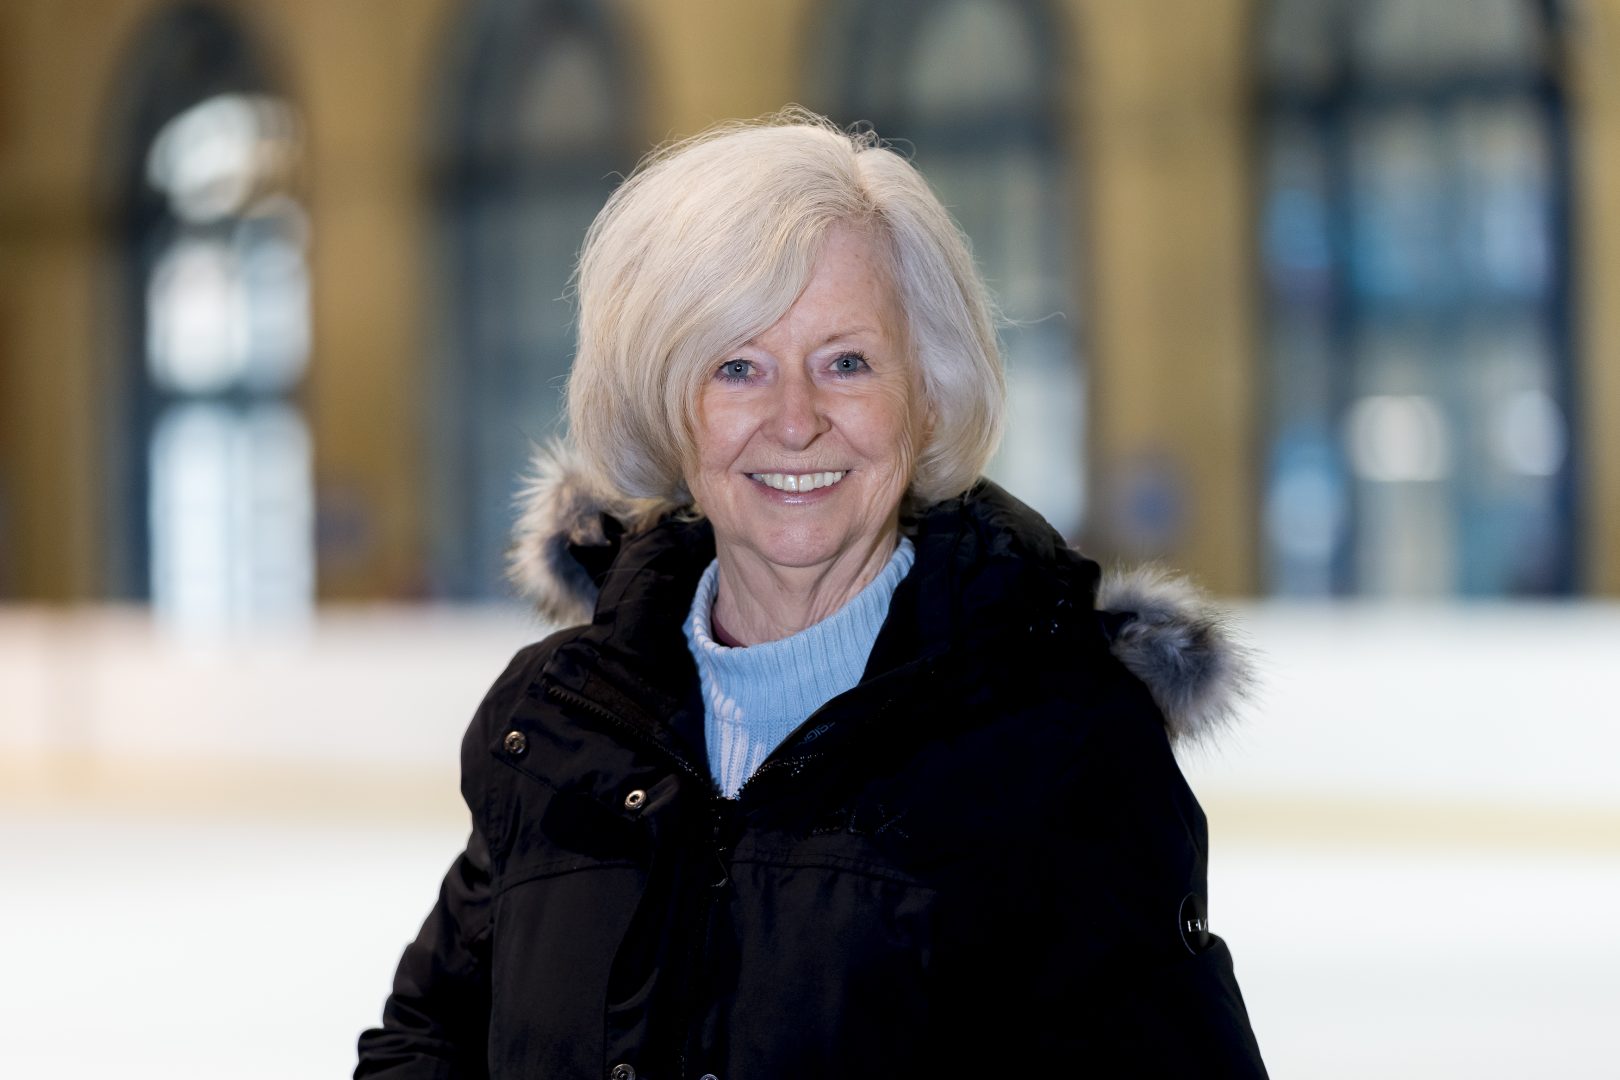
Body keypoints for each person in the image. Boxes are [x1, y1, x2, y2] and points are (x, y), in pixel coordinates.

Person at [356, 110, 1268, 1079]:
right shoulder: (553, 722)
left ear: (925, 396)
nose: (796, 422)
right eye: (736, 368)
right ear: (665, 410)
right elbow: (429, 1040)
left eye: (847, 362)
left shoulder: (1062, 739)